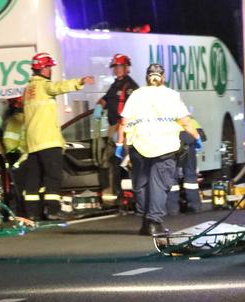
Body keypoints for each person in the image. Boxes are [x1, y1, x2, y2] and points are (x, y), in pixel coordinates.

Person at [116, 64, 202, 235]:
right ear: (163, 77)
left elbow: (123, 122)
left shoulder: (136, 95)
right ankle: (154, 222)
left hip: (138, 146)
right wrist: (196, 137)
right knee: (159, 184)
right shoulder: (171, 95)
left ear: (147, 77)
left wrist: (120, 144)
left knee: (141, 183)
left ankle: (145, 221)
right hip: (164, 147)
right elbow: (185, 121)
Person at [23, 52, 94, 220]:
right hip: (48, 140)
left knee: (34, 178)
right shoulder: (44, 85)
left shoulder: (27, 90)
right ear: (42, 68)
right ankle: (52, 210)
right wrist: (80, 82)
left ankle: (32, 213)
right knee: (53, 176)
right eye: (48, 67)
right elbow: (58, 87)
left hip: (33, 143)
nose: (50, 70)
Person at [93, 54, 139, 198]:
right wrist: (99, 106)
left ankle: (137, 196)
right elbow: (107, 98)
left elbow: (135, 109)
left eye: (120, 67)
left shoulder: (130, 86)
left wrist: (123, 130)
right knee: (112, 163)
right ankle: (116, 196)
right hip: (114, 127)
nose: (117, 69)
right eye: (115, 67)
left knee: (129, 162)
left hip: (125, 129)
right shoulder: (115, 85)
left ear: (126, 68)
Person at [167, 117, 205, 215]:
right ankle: (195, 205)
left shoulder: (165, 118)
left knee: (171, 177)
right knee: (190, 177)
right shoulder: (189, 119)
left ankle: (172, 208)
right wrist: (197, 140)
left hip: (170, 146)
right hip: (188, 144)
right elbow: (201, 135)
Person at [2, 97, 27, 211]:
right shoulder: (27, 119)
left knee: (15, 185)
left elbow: (8, 141)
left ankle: (16, 209)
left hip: (15, 155)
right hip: (24, 155)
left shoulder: (13, 120)